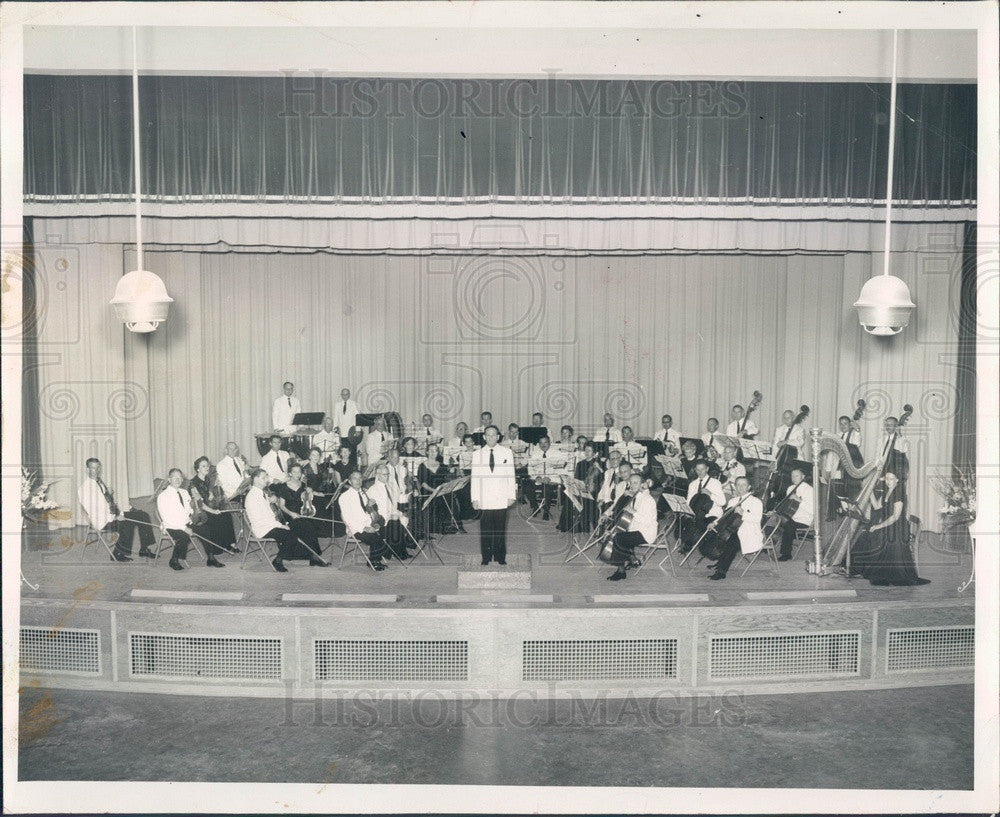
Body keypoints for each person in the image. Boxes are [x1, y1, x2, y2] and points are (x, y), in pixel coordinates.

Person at [850, 471, 929, 586]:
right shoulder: (888, 490)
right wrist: (870, 490)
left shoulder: (899, 493)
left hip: (898, 529)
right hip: (890, 525)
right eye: (886, 478)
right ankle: (860, 568)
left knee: (874, 537)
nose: (888, 481)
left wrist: (878, 526)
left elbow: (895, 517)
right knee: (865, 535)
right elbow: (877, 506)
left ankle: (869, 569)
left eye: (891, 479)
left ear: (897, 480)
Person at [78, 457, 155, 561]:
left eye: (98, 468)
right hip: (103, 520)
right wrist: (115, 517)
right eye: (93, 468)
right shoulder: (85, 488)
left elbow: (105, 502)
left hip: (112, 514)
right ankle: (118, 553)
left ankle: (144, 549)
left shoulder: (98, 483)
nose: (96, 471)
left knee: (143, 515)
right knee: (127, 523)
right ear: (87, 470)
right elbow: (95, 511)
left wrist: (109, 496)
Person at [244, 468, 316, 572]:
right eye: (264, 478)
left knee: (303, 525)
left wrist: (273, 500)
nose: (267, 480)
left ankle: (313, 556)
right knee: (290, 536)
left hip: (270, 525)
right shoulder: (252, 497)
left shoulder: (261, 493)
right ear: (255, 479)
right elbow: (260, 519)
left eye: (266, 477)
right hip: (263, 528)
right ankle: (278, 560)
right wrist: (280, 525)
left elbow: (268, 512)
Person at [471, 425, 516, 565]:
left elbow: (511, 475)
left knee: (500, 528)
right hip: (484, 498)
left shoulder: (507, 452)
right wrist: (475, 498)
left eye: (494, 435)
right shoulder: (477, 454)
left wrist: (511, 495)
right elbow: (475, 477)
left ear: (498, 436)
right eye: (488, 435)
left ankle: (500, 557)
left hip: (501, 497)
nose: (491, 437)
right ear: (484, 437)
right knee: (485, 529)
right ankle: (486, 557)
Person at [708, 477, 764, 580]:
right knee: (717, 535)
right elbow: (724, 516)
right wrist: (714, 523)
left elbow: (757, 518)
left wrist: (743, 513)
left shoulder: (756, 501)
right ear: (735, 487)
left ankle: (721, 571)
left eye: (743, 485)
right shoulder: (733, 501)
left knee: (732, 541)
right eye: (738, 485)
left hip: (749, 532)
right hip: (732, 529)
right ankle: (720, 561)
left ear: (749, 487)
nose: (741, 487)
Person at [605, 474, 658, 581]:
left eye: (636, 483)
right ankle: (631, 559)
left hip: (645, 533)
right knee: (616, 534)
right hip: (635, 529)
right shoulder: (635, 496)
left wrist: (633, 512)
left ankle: (621, 572)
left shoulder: (648, 500)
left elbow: (646, 521)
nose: (632, 486)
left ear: (642, 485)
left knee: (618, 538)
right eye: (631, 483)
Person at [272, 463, 329, 561]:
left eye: (299, 472)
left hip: (301, 513)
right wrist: (291, 514)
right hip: (288, 515)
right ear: (290, 473)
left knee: (310, 524)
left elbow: (308, 499)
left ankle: (312, 555)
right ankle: (313, 556)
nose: (297, 474)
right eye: (294, 472)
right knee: (306, 526)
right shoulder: (284, 487)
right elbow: (281, 505)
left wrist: (311, 491)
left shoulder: (304, 485)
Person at [188, 456, 239, 561]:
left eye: (207, 465)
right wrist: (213, 511)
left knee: (226, 515)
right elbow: (200, 503)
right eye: (203, 466)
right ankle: (217, 547)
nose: (207, 468)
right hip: (200, 512)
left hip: (210, 506)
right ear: (197, 469)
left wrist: (216, 487)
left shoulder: (208, 479)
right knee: (216, 517)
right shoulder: (193, 483)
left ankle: (230, 544)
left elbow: (213, 496)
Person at [338, 471, 391, 570]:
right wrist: (364, 528)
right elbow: (347, 519)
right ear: (349, 481)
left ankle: (375, 559)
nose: (358, 481)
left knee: (386, 532)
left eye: (360, 478)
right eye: (355, 478)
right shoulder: (344, 497)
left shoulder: (364, 493)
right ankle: (374, 561)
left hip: (369, 524)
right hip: (356, 528)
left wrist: (371, 505)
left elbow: (368, 512)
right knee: (375, 538)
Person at [156, 468, 198, 570]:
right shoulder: (163, 496)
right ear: (169, 479)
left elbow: (189, 510)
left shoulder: (184, 492)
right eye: (175, 478)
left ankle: (211, 557)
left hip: (185, 522)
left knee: (205, 528)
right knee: (184, 536)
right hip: (172, 526)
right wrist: (184, 528)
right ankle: (174, 560)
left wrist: (193, 514)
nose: (178, 480)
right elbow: (167, 519)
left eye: (180, 478)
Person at [370, 464, 413, 560]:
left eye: (388, 474)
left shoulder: (388, 486)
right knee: (395, 523)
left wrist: (400, 512)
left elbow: (395, 502)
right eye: (384, 474)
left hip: (392, 514)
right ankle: (397, 552)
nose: (387, 477)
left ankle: (398, 550)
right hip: (382, 520)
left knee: (406, 517)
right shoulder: (373, 490)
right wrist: (391, 516)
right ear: (377, 475)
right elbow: (374, 512)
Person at [681, 459, 724, 554]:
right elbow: (689, 501)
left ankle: (695, 542)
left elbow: (722, 502)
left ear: (707, 469)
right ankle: (688, 540)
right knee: (682, 522)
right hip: (696, 513)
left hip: (711, 513)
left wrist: (710, 494)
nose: (700, 472)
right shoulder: (692, 484)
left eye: (703, 469)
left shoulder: (715, 483)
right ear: (695, 470)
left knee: (697, 526)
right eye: (697, 470)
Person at [778, 467, 814, 561]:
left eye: (796, 476)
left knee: (788, 524)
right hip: (790, 516)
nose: (793, 478)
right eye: (792, 476)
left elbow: (812, 510)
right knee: (774, 517)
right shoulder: (790, 488)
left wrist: (799, 500)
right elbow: (787, 506)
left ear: (803, 476)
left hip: (804, 520)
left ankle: (786, 554)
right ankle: (767, 543)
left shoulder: (809, 490)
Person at [527, 435, 566, 521]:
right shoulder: (535, 453)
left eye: (545, 442)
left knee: (547, 489)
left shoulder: (557, 453)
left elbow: (561, 469)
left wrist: (550, 478)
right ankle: (535, 507)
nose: (543, 445)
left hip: (552, 480)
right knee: (527, 487)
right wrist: (536, 477)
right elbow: (530, 468)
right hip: (539, 479)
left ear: (549, 443)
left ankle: (546, 511)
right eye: (540, 443)